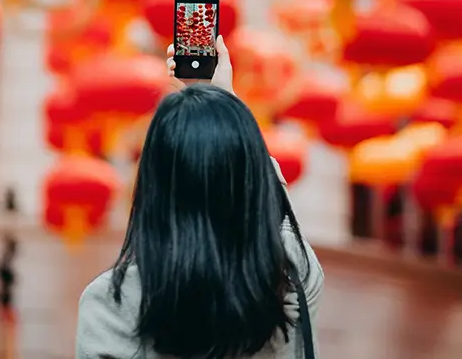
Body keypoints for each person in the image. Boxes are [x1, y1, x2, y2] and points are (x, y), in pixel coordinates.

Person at [76, 35, 323, 358]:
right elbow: (272, 211)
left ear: (153, 183)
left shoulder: (112, 302)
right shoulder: (292, 283)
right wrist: (226, 109)